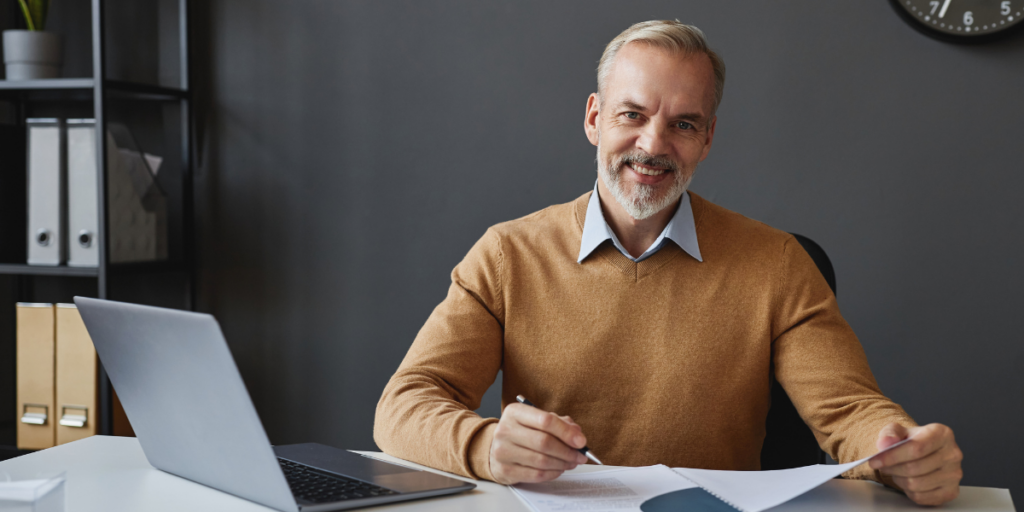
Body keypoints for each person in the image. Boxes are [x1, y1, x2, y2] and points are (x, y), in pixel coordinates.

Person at [373, 20, 963, 506]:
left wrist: (898, 450)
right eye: (632, 114)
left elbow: (850, 411)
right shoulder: (507, 254)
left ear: (707, 139)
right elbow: (404, 404)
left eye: (683, 124)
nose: (654, 145)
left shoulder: (777, 263)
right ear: (594, 118)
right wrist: (483, 445)